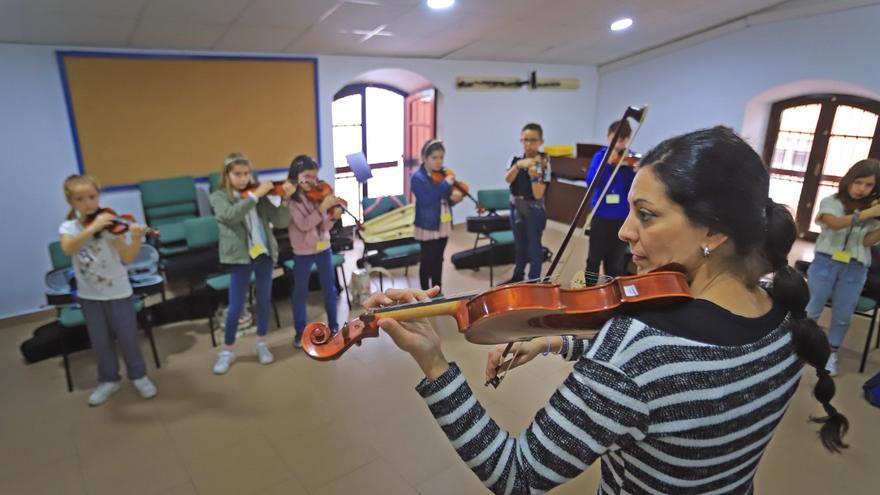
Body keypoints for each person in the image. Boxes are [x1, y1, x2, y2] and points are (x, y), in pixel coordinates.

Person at [367, 127, 848, 494]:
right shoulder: (787, 317)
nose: (623, 231)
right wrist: (555, 338)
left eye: (647, 214)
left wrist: (434, 362)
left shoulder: (639, 350)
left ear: (714, 231)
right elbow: (674, 390)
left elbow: (515, 474)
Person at [59, 174, 158, 406]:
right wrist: (92, 227)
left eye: (92, 197)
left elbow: (127, 257)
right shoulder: (69, 227)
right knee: (100, 340)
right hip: (89, 296)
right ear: (71, 202)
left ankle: (139, 376)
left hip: (119, 292)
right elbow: (68, 248)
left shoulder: (111, 223)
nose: (89, 203)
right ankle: (108, 380)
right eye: (81, 199)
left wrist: (134, 238)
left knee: (128, 338)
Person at [210, 153, 293, 374]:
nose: (243, 178)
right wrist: (255, 196)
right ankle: (227, 350)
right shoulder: (219, 196)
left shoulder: (259, 193)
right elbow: (230, 216)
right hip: (239, 257)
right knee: (236, 306)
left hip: (263, 254)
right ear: (227, 175)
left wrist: (285, 199)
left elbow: (281, 220)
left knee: (264, 300)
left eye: (247, 173)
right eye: (238, 174)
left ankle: (261, 343)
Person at [805, 158, 880, 376]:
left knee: (843, 314)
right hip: (825, 263)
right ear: (849, 179)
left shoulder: (873, 211)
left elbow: (867, 242)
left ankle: (832, 352)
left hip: (855, 267)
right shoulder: (831, 202)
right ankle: (802, 347)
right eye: (859, 182)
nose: (862, 189)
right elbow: (835, 224)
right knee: (811, 309)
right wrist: (868, 214)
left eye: (869, 186)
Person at [287, 155, 341, 349]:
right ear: (296, 176)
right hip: (302, 251)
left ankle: (334, 328)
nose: (312, 181)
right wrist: (322, 208)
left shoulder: (319, 194)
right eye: (307, 176)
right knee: (301, 291)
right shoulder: (293, 201)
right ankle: (300, 333)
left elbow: (323, 227)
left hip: (323, 247)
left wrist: (332, 217)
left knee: (330, 288)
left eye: (315, 176)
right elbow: (303, 225)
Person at [585, 119, 636, 285]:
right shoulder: (600, 157)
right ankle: (589, 289)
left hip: (621, 218)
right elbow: (592, 182)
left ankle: (612, 292)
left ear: (627, 139)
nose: (619, 144)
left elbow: (632, 189)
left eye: (622, 140)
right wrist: (606, 165)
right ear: (608, 137)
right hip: (601, 215)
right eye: (616, 139)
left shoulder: (630, 159)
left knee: (615, 261)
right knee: (594, 258)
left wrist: (635, 171)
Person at [411, 139, 463, 292]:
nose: (439, 161)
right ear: (425, 158)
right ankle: (425, 292)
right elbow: (426, 199)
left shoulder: (443, 174)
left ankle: (437, 290)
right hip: (427, 224)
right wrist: (445, 184)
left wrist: (455, 197)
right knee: (427, 260)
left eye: (441, 157)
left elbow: (445, 198)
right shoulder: (417, 177)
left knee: (439, 258)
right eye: (434, 158)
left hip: (444, 221)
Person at [503, 123, 552, 284]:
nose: (529, 144)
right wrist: (518, 166)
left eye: (533, 140)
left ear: (541, 141)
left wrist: (534, 176)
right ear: (520, 140)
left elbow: (538, 194)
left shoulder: (544, 163)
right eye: (525, 140)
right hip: (515, 207)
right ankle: (518, 275)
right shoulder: (515, 159)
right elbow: (508, 179)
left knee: (534, 247)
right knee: (519, 245)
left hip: (534, 209)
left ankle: (534, 281)